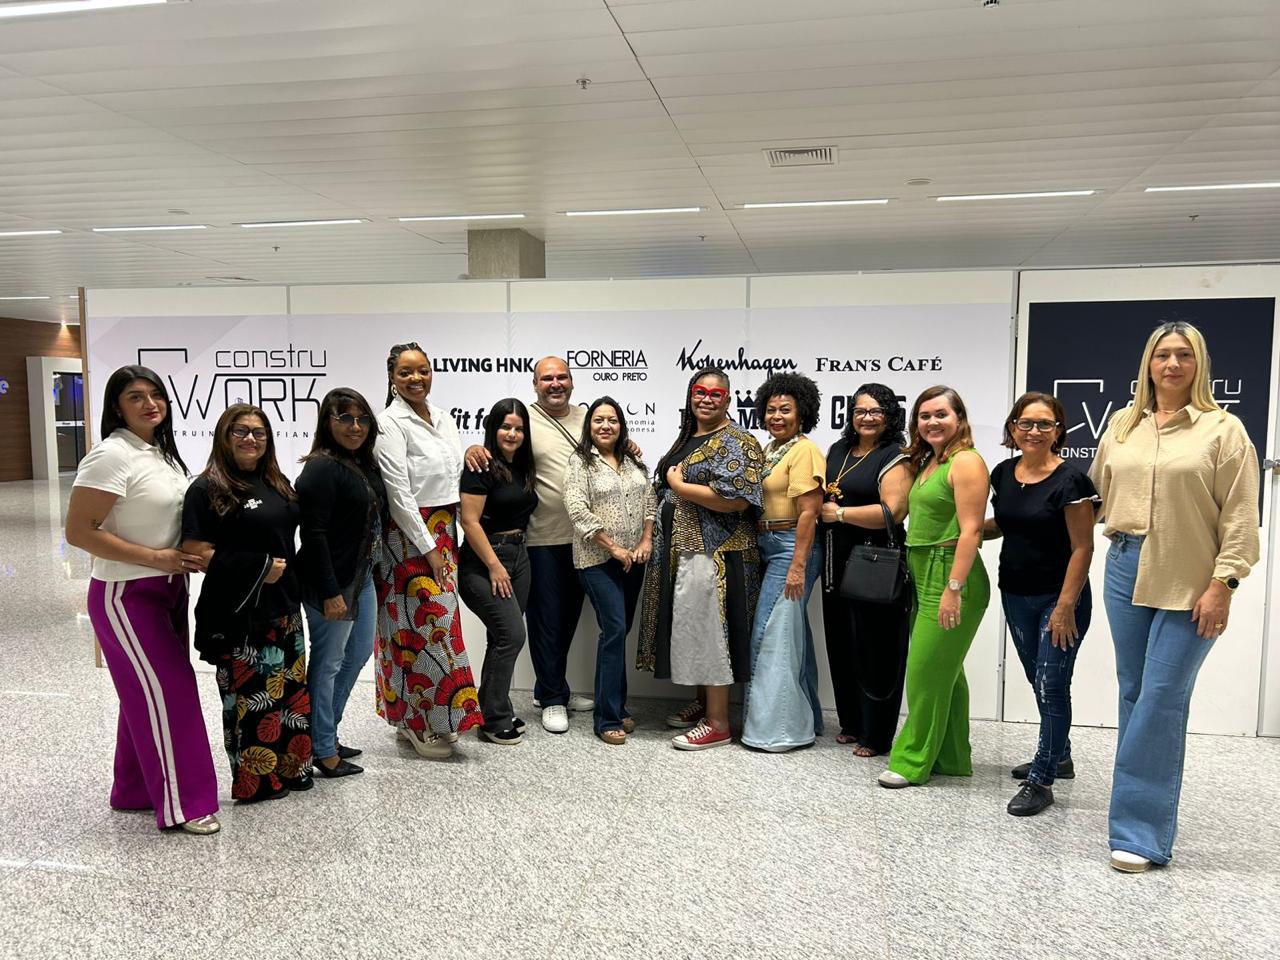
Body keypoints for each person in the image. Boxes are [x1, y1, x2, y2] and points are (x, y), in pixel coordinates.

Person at [1091, 321, 1259, 873]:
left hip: (1192, 575)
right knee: (1135, 691)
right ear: (1148, 363)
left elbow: (1241, 515)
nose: (1172, 364)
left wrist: (1224, 583)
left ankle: (1139, 834)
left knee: (1161, 696)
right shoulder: (1124, 424)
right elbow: (1095, 494)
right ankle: (1133, 813)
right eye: (1162, 354)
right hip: (1125, 566)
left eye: (1184, 355)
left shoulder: (1223, 429)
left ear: (1199, 363)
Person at [65, 366, 221, 835]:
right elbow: (79, 532)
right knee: (172, 691)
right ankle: (186, 804)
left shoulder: (158, 453)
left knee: (148, 691)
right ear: (117, 407)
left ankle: (133, 789)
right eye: (135, 397)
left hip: (168, 589)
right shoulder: (110, 455)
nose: (150, 404)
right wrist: (156, 557)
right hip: (126, 595)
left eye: (156, 395)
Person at [182, 403, 310, 803]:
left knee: (290, 695)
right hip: (242, 615)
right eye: (240, 431)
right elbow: (195, 550)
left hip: (285, 608)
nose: (250, 438)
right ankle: (258, 782)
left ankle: (291, 768)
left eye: (258, 432)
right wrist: (259, 567)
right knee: (253, 703)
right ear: (224, 436)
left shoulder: (276, 481)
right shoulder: (207, 488)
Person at [465, 357, 595, 733]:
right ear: (535, 384)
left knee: (564, 620)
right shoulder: (524, 422)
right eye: (547, 378)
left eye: (562, 377)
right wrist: (472, 448)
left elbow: (607, 444)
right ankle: (550, 698)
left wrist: (627, 445)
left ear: (572, 381)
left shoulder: (585, 419)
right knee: (537, 625)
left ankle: (547, 689)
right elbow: (471, 512)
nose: (556, 383)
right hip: (535, 542)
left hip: (578, 539)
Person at [638, 367, 764, 751]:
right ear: (690, 395)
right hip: (685, 550)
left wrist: (679, 486)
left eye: (715, 394)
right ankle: (705, 702)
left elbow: (737, 500)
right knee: (693, 628)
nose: (706, 399)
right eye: (700, 392)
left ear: (728, 399)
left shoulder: (738, 441)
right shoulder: (688, 436)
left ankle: (719, 722)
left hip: (717, 552)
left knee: (712, 634)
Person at [985, 392, 1098, 817]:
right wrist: (966, 532)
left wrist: (1066, 606)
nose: (1034, 431)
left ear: (1058, 431)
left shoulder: (1071, 482)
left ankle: (1042, 779)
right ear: (1013, 428)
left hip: (1059, 598)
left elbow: (1083, 547)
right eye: (1026, 423)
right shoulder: (1003, 473)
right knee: (1039, 680)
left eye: (1044, 424)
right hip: (1015, 593)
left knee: (1052, 685)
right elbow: (1007, 523)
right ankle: (1061, 756)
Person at [879, 386, 990, 789]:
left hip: (951, 575)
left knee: (924, 671)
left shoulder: (967, 462)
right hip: (922, 569)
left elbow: (971, 530)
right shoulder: (929, 461)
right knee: (947, 673)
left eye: (941, 414)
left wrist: (954, 587)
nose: (932, 422)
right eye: (924, 416)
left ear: (959, 418)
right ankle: (952, 757)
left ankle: (911, 761)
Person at [375, 342, 480, 759]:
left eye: (422, 370)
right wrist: (429, 548)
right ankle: (416, 723)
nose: (415, 378)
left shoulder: (444, 417)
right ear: (392, 378)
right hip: (409, 536)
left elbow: (452, 476)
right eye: (405, 372)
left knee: (440, 629)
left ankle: (433, 718)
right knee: (414, 631)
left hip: (443, 530)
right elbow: (398, 494)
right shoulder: (388, 423)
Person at [296, 388, 389, 779]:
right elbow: (313, 534)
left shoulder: (360, 463)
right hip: (330, 583)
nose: (355, 427)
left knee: (357, 655)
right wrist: (331, 592)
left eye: (362, 419)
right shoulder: (320, 468)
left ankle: (324, 734)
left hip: (360, 578)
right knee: (329, 662)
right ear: (327, 422)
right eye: (345, 419)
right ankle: (321, 748)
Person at [819, 384, 912, 758]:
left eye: (875, 411)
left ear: (889, 416)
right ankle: (852, 724)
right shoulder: (838, 450)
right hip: (835, 561)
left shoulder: (895, 456)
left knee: (877, 649)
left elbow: (893, 512)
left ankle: (876, 735)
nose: (867, 418)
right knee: (842, 644)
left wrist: (840, 514)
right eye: (860, 411)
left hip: (875, 564)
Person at [741, 373, 826, 752]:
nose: (777, 416)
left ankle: (778, 732)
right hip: (768, 543)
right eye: (771, 409)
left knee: (769, 632)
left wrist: (797, 566)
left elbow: (809, 512)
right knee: (791, 632)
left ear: (802, 413)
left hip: (791, 545)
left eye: (786, 410)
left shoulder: (805, 451)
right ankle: (810, 719)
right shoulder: (771, 449)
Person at [563, 397, 656, 745]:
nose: (605, 426)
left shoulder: (633, 460)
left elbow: (650, 500)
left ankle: (617, 704)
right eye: (598, 420)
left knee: (619, 632)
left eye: (612, 420)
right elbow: (577, 510)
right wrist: (613, 547)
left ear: (621, 425)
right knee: (614, 629)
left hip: (634, 560)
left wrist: (646, 539)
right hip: (597, 560)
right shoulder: (580, 462)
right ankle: (607, 719)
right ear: (589, 425)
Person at [457, 399, 539, 745]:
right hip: (485, 561)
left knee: (500, 637)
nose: (512, 434)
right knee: (512, 635)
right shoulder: (480, 465)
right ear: (493, 428)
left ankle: (493, 709)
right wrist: (494, 566)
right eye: (506, 426)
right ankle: (494, 719)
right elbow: (469, 521)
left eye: (519, 428)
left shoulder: (522, 466)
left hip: (519, 556)